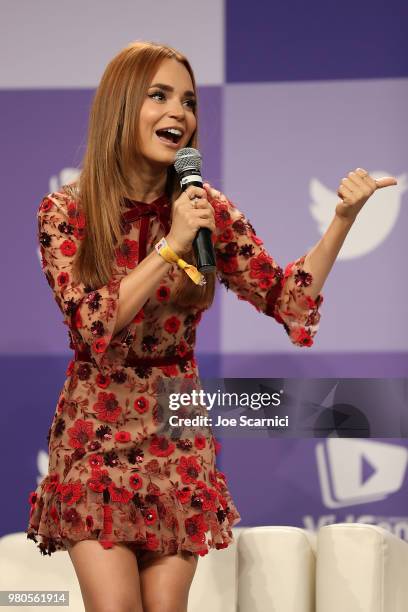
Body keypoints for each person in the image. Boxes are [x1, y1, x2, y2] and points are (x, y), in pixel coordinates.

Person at [26, 40, 397, 612]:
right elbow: (90, 324)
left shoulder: (207, 210)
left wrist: (342, 222)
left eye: (189, 101)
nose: (179, 113)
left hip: (177, 433)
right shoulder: (65, 212)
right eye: (159, 96)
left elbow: (285, 298)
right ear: (122, 107)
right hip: (96, 429)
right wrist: (170, 247)